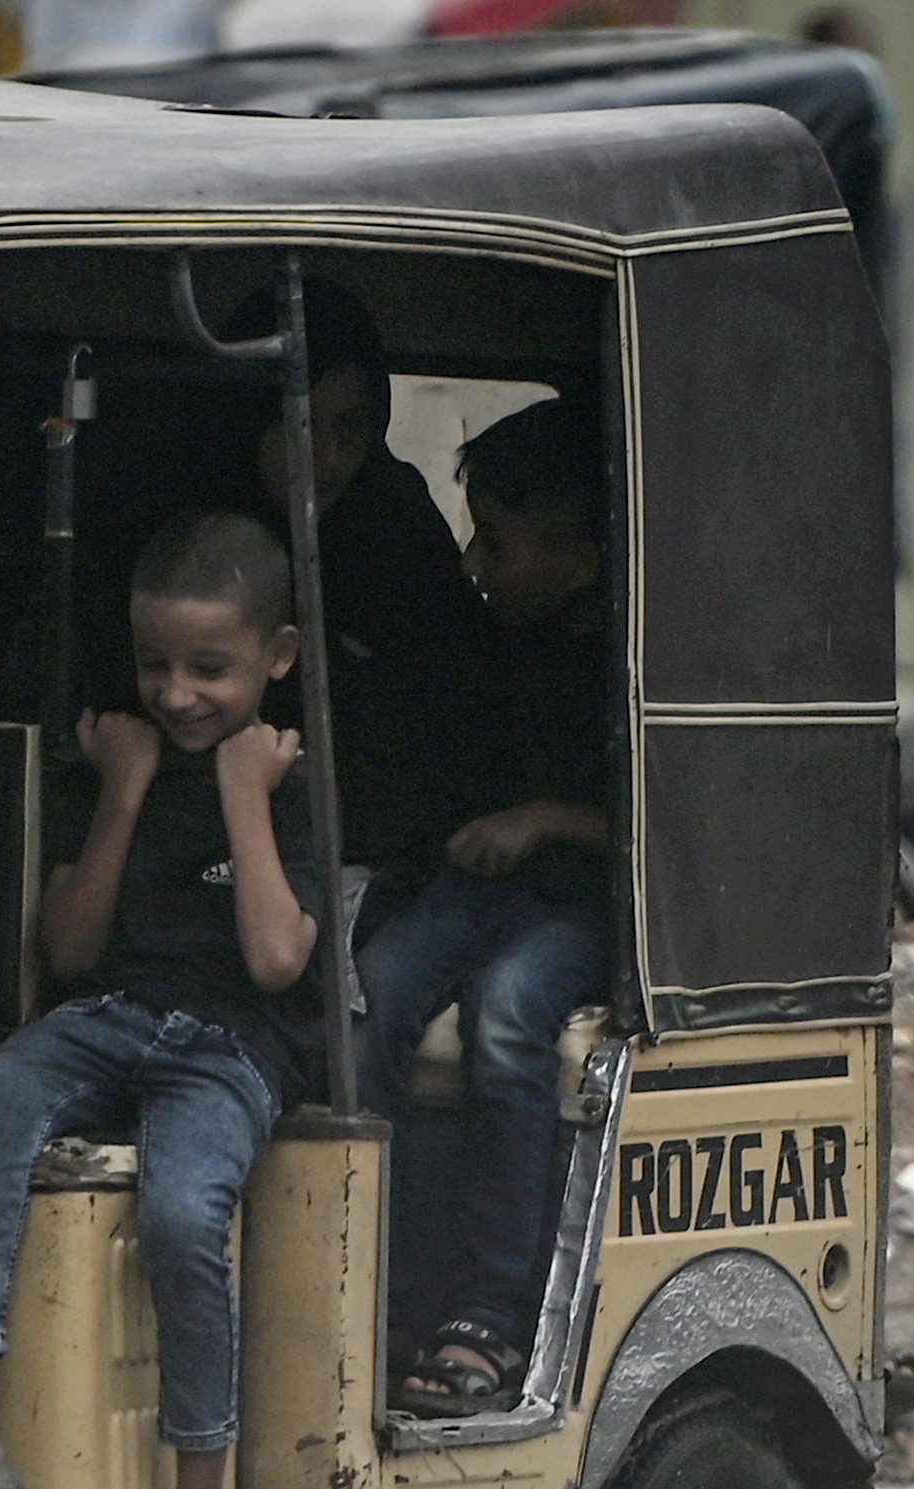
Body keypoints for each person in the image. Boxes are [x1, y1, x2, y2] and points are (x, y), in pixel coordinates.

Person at [0, 512, 325, 1489]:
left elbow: (277, 958)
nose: (179, 695)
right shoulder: (124, 758)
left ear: (275, 660)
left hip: (228, 1048)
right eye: (156, 666)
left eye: (211, 670)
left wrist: (243, 793)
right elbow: (72, 947)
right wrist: (123, 791)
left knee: (185, 1216)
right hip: (112, 1013)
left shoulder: (288, 774)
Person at [361, 399, 614, 1416]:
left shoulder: (628, 663)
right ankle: (364, 1279)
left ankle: (489, 1310)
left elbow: (657, 825)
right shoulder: (486, 636)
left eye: (496, 545)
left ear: (581, 561)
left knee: (509, 1015)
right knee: (370, 990)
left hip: (571, 910)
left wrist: (542, 820)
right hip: (476, 892)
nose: (472, 563)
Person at [211, 277, 497, 905]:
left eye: (352, 428)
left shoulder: (394, 521)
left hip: (379, 862)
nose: (331, 457)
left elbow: (456, 707)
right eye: (303, 426)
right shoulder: (191, 519)